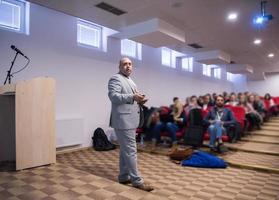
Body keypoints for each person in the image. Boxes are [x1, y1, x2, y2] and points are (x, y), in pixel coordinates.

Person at [108, 57, 153, 192]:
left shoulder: (130, 81)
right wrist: (132, 97)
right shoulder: (115, 78)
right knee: (131, 150)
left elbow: (131, 98)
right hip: (123, 121)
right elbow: (113, 96)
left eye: (130, 64)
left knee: (125, 150)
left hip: (130, 120)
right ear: (119, 66)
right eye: (125, 64)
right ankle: (137, 181)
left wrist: (140, 100)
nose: (128, 66)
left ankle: (123, 176)